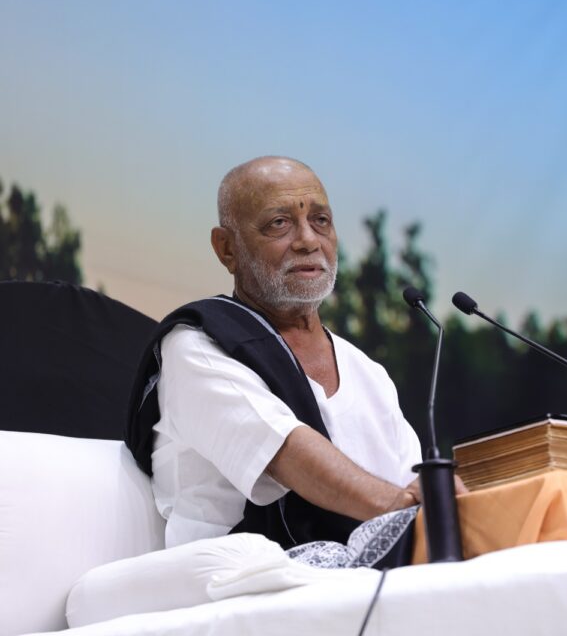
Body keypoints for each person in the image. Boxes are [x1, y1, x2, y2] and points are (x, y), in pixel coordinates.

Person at [125, 156, 450, 556]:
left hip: (361, 576)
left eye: (321, 221)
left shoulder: (368, 373)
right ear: (227, 248)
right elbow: (284, 452)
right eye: (279, 223)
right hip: (239, 578)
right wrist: (403, 507)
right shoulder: (198, 346)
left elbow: (411, 490)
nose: (308, 241)